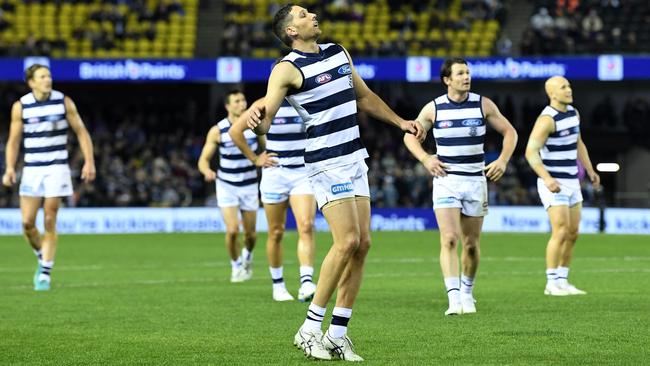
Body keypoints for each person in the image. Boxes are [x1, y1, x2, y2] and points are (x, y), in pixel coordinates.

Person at [243, 4, 425, 361]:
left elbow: (364, 96)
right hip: (326, 162)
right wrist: (256, 119)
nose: (312, 15)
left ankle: (338, 333)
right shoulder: (285, 69)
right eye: (303, 14)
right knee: (347, 242)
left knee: (363, 244)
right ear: (291, 31)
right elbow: (267, 120)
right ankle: (310, 329)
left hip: (355, 157)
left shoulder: (338, 52)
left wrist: (400, 122)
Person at [404, 58, 517, 315]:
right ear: (447, 80)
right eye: (460, 73)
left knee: (471, 244)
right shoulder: (434, 109)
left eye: (467, 72)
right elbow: (409, 136)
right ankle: (454, 298)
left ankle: (467, 291)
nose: (466, 77)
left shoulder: (483, 104)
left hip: (475, 181)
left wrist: (502, 160)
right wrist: (425, 158)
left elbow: (510, 132)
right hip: (447, 181)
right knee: (450, 238)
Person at [2, 64, 96, 291]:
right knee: (27, 223)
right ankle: (42, 255)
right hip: (32, 169)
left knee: (50, 219)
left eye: (49, 75)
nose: (48, 79)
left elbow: (81, 132)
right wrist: (10, 168)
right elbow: (14, 141)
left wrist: (89, 161)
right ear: (31, 82)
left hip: (57, 167)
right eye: (42, 76)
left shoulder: (64, 102)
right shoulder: (21, 106)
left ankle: (45, 272)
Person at [230, 99, 318, 303]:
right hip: (275, 174)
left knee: (306, 225)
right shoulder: (265, 104)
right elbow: (236, 131)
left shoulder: (307, 100)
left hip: (302, 173)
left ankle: (306, 282)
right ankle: (278, 285)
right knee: (276, 232)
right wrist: (255, 159)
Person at [525, 76, 600, 296]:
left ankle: (563, 280)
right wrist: (547, 178)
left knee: (573, 232)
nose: (569, 89)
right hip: (553, 182)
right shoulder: (546, 120)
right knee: (560, 230)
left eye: (569, 85)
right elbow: (530, 152)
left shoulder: (574, 113)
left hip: (572, 182)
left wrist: (590, 170)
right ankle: (551, 283)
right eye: (563, 87)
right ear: (552, 94)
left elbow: (578, 144)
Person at [197, 90, 275, 283]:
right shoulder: (218, 130)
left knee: (250, 235)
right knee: (232, 230)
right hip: (226, 184)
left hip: (249, 184)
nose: (242, 104)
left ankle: (247, 255)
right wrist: (206, 171)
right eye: (237, 101)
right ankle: (236, 266)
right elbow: (203, 160)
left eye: (243, 100)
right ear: (227, 106)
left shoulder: (253, 125)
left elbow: (267, 147)